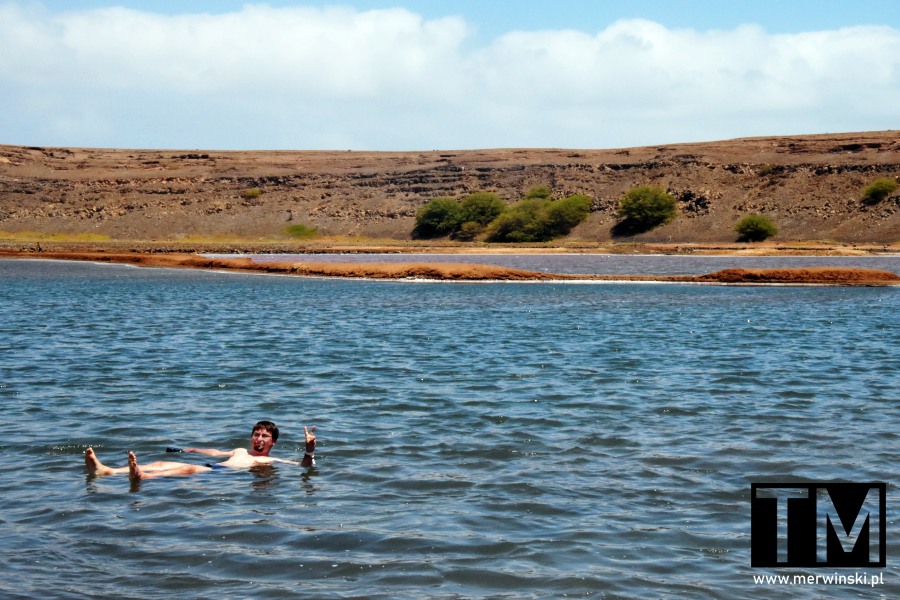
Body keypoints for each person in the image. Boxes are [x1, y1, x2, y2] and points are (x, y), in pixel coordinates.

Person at [84, 421, 316, 480]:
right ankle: (108, 471)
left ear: (272, 442)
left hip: (219, 475)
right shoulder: (238, 451)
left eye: (265, 436)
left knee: (188, 470)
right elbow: (214, 452)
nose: (259, 438)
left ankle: (143, 477)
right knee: (159, 463)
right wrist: (189, 448)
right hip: (212, 466)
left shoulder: (270, 460)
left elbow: (302, 467)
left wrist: (309, 451)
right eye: (256, 434)